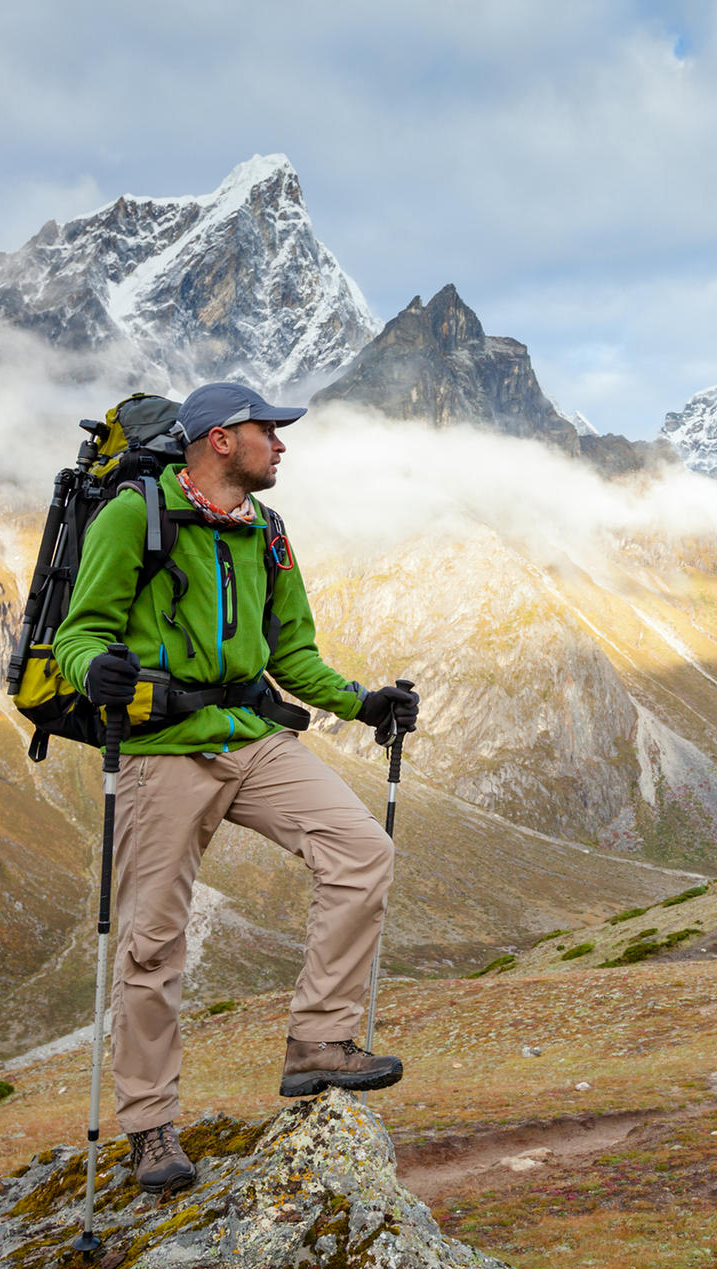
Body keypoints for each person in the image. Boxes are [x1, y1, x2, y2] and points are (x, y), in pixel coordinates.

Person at [52, 381, 420, 1194]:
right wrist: (94, 670)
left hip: (251, 739)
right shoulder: (133, 517)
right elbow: (80, 635)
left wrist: (361, 703)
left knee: (361, 851)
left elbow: (292, 654)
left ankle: (319, 1042)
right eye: (269, 431)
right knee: (152, 941)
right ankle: (150, 1128)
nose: (282, 445)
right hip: (160, 747)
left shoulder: (268, 533)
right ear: (220, 440)